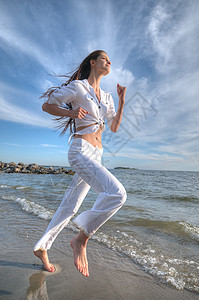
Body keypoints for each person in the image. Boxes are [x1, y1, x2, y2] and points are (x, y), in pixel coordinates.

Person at [33, 50, 127, 277]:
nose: (109, 61)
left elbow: (113, 127)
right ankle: (81, 239)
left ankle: (42, 247)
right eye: (105, 58)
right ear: (93, 63)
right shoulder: (78, 88)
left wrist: (122, 100)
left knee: (71, 205)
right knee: (117, 193)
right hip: (80, 151)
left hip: (97, 154)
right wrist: (71, 113)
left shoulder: (106, 97)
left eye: (109, 59)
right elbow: (47, 105)